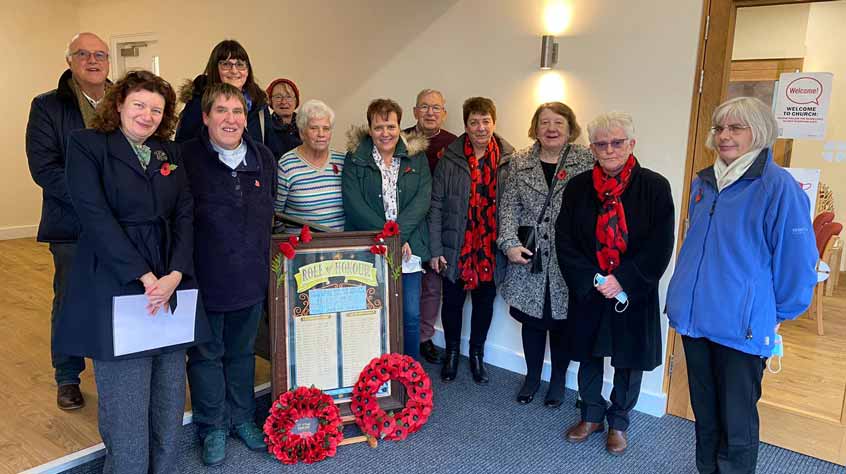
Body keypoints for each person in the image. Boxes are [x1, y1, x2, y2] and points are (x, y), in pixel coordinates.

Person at [57, 70, 209, 474]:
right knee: (126, 401)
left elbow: (185, 214)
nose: (147, 115)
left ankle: (165, 468)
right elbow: (93, 215)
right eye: (139, 104)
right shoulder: (87, 145)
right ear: (119, 103)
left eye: (157, 109)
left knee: (169, 394)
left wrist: (176, 272)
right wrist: (143, 276)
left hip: (171, 277)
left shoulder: (169, 153)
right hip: (115, 278)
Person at [666, 97, 817, 474]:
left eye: (736, 128)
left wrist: (776, 313)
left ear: (760, 132)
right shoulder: (705, 181)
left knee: (737, 424)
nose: (724, 136)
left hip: (741, 326)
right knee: (706, 416)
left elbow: (798, 264)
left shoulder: (777, 187)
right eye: (719, 128)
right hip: (695, 320)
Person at [556, 112, 674, 456]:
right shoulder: (577, 187)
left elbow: (660, 245)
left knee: (628, 359)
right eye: (601, 143)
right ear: (592, 147)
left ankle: (618, 421)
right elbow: (565, 241)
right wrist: (595, 278)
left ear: (631, 144)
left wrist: (621, 280)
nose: (609, 150)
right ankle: (591, 414)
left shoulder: (655, 186)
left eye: (617, 142)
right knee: (589, 354)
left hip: (632, 291)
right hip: (590, 286)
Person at [181, 83, 276, 466]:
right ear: (205, 117)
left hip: (249, 280)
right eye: (221, 111)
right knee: (205, 356)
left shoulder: (263, 158)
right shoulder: (186, 157)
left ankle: (242, 419)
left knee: (241, 355)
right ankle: (212, 427)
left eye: (237, 112)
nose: (230, 119)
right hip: (203, 280)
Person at [25, 32, 111, 410]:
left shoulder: (126, 101)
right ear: (69, 61)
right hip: (72, 222)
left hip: (123, 222)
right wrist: (92, 201)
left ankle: (115, 368)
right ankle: (67, 375)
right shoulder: (47, 106)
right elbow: (44, 167)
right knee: (71, 299)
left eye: (100, 55)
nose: (92, 60)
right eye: (83, 54)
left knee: (116, 297)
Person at [497, 102, 593, 406]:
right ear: (535, 128)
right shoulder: (519, 161)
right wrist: (509, 243)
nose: (551, 129)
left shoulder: (586, 159)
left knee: (562, 320)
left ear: (569, 128)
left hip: (570, 256)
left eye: (558, 123)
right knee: (532, 320)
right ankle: (532, 377)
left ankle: (558, 380)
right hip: (530, 253)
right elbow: (509, 206)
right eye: (544, 123)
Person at [429, 97, 514, 384]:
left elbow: (513, 206)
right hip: (456, 247)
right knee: (452, 303)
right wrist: (436, 249)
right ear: (465, 125)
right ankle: (452, 352)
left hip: (490, 248)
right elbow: (436, 205)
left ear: (494, 122)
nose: (480, 128)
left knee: (484, 304)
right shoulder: (449, 158)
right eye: (474, 122)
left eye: (485, 121)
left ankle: (476, 354)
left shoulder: (508, 159)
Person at [343, 98, 431, 361]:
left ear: (399, 127)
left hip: (409, 246)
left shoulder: (416, 156)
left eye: (391, 126)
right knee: (372, 313)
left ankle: (411, 374)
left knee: (410, 315)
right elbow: (353, 204)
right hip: (371, 246)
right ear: (370, 129)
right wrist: (388, 237)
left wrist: (398, 236)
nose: (386, 133)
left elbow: (422, 199)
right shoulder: (355, 158)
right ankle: (376, 373)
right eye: (379, 127)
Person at [403, 89, 457, 364]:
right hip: (408, 222)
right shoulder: (400, 139)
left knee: (432, 284)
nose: (430, 112)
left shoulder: (454, 144)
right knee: (402, 283)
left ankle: (424, 337)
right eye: (424, 107)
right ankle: (399, 336)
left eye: (436, 108)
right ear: (414, 111)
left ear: (444, 113)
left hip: (438, 224)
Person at [175, 39, 278, 154]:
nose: (234, 71)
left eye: (240, 65)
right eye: (226, 64)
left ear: (248, 70)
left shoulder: (259, 104)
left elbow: (271, 151)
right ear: (215, 68)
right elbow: (184, 148)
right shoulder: (199, 103)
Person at [275, 99, 345, 232]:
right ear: (302, 133)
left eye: (326, 128)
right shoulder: (286, 165)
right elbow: (277, 216)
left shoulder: (342, 161)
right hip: (301, 247)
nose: (321, 134)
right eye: (314, 128)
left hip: (339, 246)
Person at [266, 77, 303, 156]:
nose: (284, 101)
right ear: (270, 101)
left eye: (289, 97)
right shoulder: (264, 125)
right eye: (278, 97)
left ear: (296, 101)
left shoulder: (304, 124)